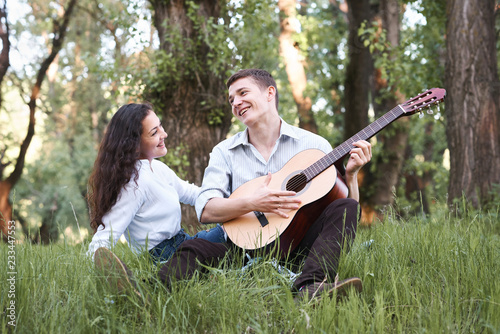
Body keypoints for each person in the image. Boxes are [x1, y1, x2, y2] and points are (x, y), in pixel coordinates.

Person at [103, 69, 372, 302]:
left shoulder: (315, 146)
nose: (236, 102)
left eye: (243, 93)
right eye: (231, 99)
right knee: (194, 249)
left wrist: (351, 176)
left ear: (270, 93)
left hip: (299, 241)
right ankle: (143, 295)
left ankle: (310, 286)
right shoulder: (224, 152)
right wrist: (253, 203)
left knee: (347, 205)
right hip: (245, 246)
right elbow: (206, 210)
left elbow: (346, 214)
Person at [86, 103, 225, 270]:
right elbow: (106, 234)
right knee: (231, 241)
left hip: (183, 244)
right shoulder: (133, 184)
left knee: (231, 232)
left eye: (160, 127)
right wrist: (96, 266)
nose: (164, 134)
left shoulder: (157, 168)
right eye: (154, 133)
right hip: (164, 258)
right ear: (134, 143)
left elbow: (192, 194)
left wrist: (231, 201)